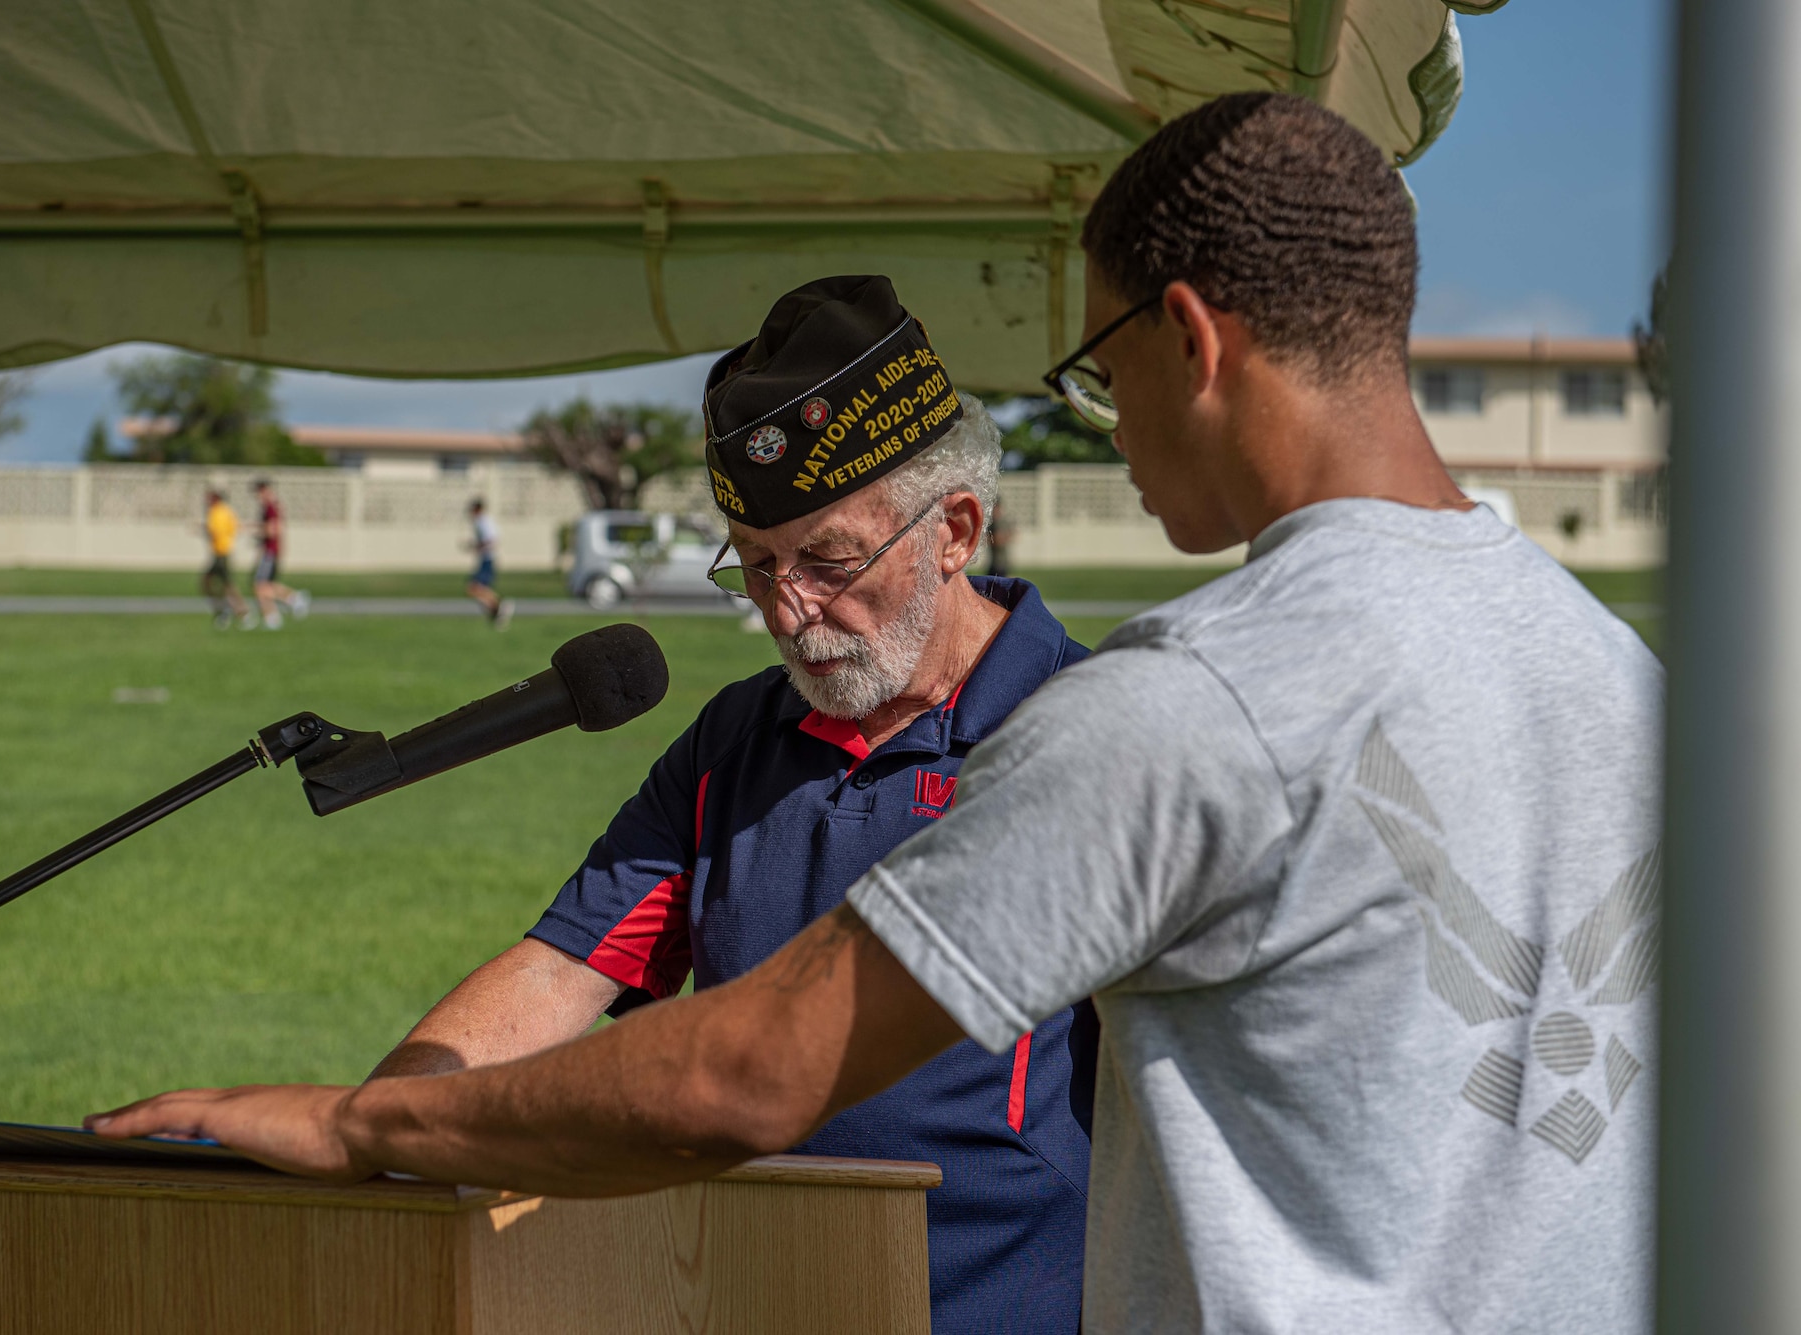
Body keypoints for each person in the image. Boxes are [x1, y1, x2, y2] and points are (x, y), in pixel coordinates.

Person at [94, 96, 1662, 1333]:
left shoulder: (1182, 703)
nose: (1105, 420)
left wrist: (365, 1123)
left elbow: (747, 1074)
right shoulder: (1634, 683)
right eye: (755, 567)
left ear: (1187, 336)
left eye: (1103, 361)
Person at [250, 478, 310, 629]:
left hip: (270, 551)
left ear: (263, 490)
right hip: (271, 550)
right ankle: (275, 615)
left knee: (260, 586)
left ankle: (291, 601)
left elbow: (273, 530)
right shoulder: (273, 505)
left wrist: (255, 531)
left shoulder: (270, 507)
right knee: (265, 585)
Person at [200, 488, 252, 629]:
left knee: (224, 584)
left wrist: (204, 529)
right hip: (225, 551)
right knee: (217, 583)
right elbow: (235, 527)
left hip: (220, 553)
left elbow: (214, 531)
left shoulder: (215, 512)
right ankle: (228, 610)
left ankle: (240, 612)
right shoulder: (227, 511)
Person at [463, 498, 514, 629]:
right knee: (477, 589)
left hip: (487, 558)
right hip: (485, 558)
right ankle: (496, 612)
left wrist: (475, 546)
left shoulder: (483, 522)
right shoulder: (484, 521)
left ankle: (500, 606)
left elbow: (491, 540)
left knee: (475, 588)